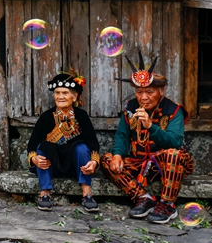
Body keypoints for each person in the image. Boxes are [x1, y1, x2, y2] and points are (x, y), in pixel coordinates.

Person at [102, 52, 194, 224]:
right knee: (107, 159)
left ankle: (167, 204)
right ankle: (144, 198)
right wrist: (117, 155)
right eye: (139, 92)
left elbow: (175, 142)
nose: (143, 97)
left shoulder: (174, 110)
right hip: (140, 163)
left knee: (173, 154)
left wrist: (150, 126)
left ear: (161, 90)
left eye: (149, 92)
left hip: (168, 166)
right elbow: (122, 135)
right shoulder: (130, 108)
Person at [27, 70, 100, 212]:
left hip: (75, 167)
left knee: (82, 147)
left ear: (74, 96)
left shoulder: (81, 116)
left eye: (65, 93)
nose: (60, 96)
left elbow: (93, 143)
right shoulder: (47, 117)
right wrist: (34, 159)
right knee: (42, 147)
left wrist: (94, 162)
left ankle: (87, 193)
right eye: (57, 93)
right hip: (51, 166)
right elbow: (32, 144)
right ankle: (45, 193)